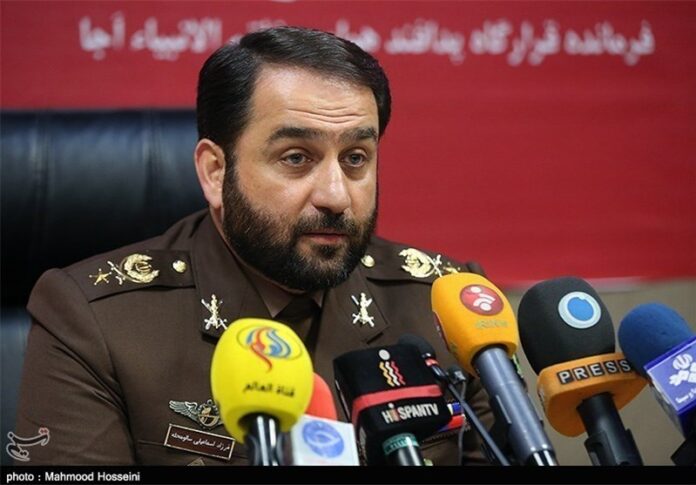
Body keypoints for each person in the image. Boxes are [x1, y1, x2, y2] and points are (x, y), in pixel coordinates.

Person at [15, 26, 493, 466]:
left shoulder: (442, 305)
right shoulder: (95, 320)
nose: (336, 195)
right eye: (296, 158)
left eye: (355, 158)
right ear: (215, 172)